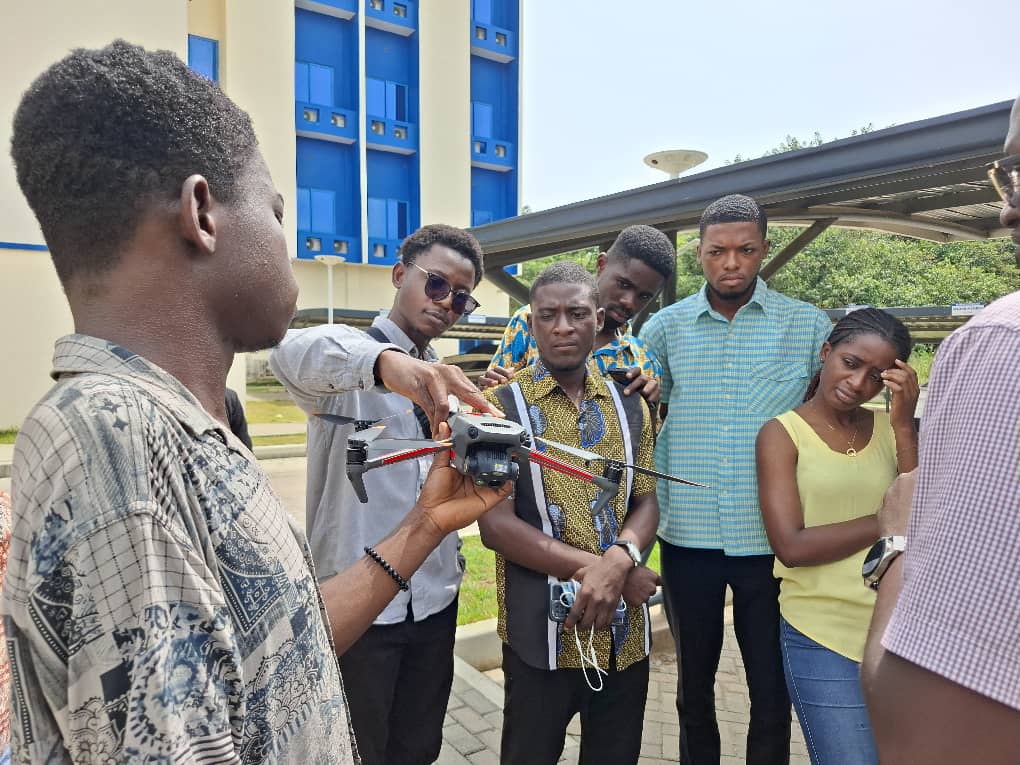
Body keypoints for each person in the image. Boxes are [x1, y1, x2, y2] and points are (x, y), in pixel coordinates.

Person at [3, 40, 510, 764]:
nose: (289, 237)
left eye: (464, 297)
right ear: (202, 212)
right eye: (276, 210)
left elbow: (276, 649)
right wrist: (397, 368)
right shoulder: (115, 438)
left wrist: (428, 522)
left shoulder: (179, 429)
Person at [269, 223, 486, 765]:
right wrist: (388, 365)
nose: (448, 303)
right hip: (360, 608)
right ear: (399, 275)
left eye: (461, 296)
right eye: (437, 284)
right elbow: (288, 352)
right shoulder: (348, 359)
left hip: (434, 601)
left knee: (418, 748)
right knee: (357, 751)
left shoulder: (446, 379)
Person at [639, 194, 832, 764]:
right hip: (687, 539)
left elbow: (824, 417)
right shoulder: (664, 329)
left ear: (763, 251)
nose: (731, 264)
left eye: (745, 250)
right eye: (717, 252)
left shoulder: (807, 325)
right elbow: (652, 414)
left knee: (772, 691)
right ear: (698, 254)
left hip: (772, 541)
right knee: (691, 688)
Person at [860, 95, 1020, 764]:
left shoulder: (998, 344)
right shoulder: (785, 432)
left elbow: (926, 738)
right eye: (1005, 174)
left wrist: (898, 537)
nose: (1008, 206)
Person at [478, 262, 662, 765]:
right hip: (539, 637)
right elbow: (496, 527)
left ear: (598, 319)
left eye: (577, 313)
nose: (563, 327)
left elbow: (645, 499)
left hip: (623, 639)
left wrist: (620, 559)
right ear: (531, 324)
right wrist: (604, 573)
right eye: (549, 315)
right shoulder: (496, 409)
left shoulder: (631, 404)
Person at [756, 309, 918, 765]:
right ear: (826, 353)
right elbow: (791, 547)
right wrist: (887, 520)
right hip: (822, 634)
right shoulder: (781, 434)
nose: (859, 383)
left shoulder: (893, 431)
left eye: (876, 376)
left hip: (895, 631)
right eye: (850, 363)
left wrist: (904, 423)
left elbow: (922, 505)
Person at [480, 224, 675, 406]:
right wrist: (492, 387)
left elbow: (642, 438)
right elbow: (494, 400)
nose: (629, 302)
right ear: (602, 264)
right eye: (623, 284)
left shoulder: (644, 364)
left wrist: (647, 407)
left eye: (644, 296)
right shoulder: (530, 321)